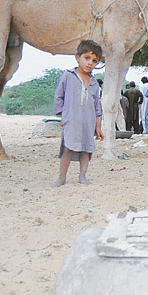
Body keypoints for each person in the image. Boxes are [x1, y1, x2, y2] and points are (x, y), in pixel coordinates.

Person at [52, 39, 104, 187]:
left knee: (86, 149)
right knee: (67, 147)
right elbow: (58, 97)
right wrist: (63, 116)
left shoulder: (94, 83)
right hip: (71, 120)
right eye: (87, 58)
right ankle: (62, 177)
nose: (90, 63)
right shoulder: (68, 76)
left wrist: (98, 127)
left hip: (88, 122)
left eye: (94, 61)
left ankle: (82, 176)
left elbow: (96, 107)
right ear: (77, 57)